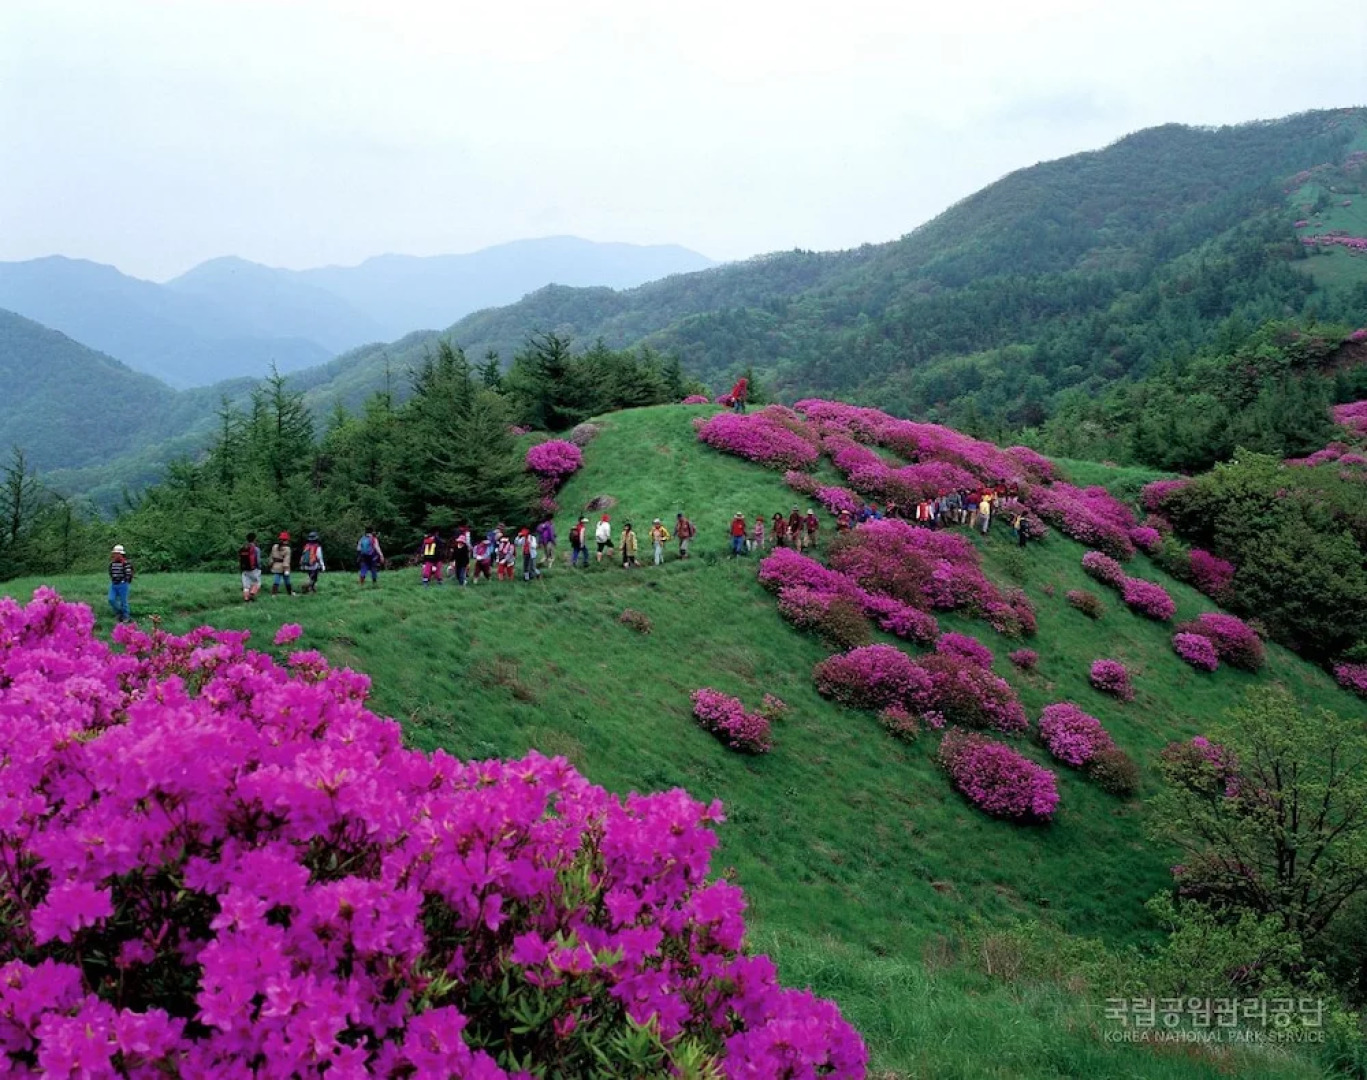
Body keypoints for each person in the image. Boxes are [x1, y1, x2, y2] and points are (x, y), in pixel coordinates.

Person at [108, 544, 134, 623]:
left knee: (124, 602)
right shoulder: (112, 564)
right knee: (111, 599)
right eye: (114, 553)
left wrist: (124, 581)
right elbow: (111, 572)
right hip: (114, 584)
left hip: (123, 584)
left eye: (116, 553)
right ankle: (119, 612)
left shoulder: (126, 563)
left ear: (121, 554)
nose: (114, 555)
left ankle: (126, 616)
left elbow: (128, 574)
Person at [238, 532, 262, 603]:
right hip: (254, 569)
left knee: (246, 586)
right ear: (255, 539)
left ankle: (246, 599)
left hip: (245, 569)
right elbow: (258, 560)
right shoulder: (256, 549)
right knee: (257, 583)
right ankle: (252, 595)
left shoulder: (243, 548)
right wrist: (259, 568)